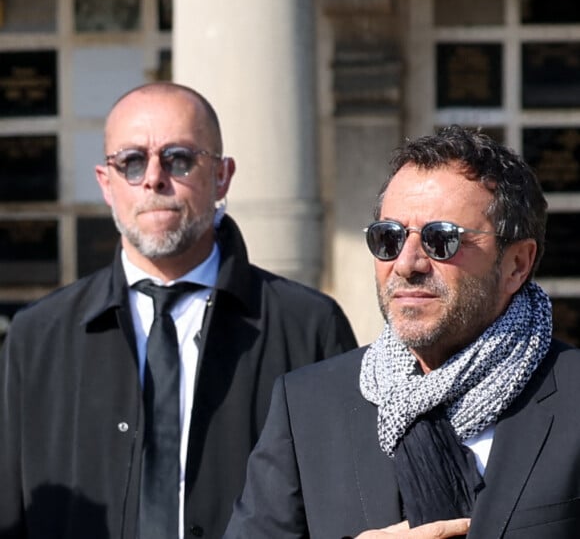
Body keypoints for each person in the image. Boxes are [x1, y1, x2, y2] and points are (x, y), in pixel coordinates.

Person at [0, 82, 358, 539]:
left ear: (222, 176)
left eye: (179, 159)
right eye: (131, 162)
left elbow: (345, 506)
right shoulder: (36, 338)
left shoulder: (308, 327)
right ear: (105, 183)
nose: (153, 178)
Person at [224, 125, 580, 539]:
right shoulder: (307, 406)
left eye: (441, 239)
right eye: (388, 238)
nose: (408, 263)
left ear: (517, 264)